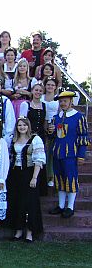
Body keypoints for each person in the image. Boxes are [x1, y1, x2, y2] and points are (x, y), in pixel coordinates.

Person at [48, 90, 90, 218]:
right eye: (60, 101)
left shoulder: (79, 117)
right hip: (57, 153)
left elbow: (83, 137)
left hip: (71, 153)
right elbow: (54, 136)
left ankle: (70, 206)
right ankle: (61, 206)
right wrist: (51, 132)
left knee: (70, 178)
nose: (62, 103)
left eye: (65, 101)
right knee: (60, 178)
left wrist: (81, 155)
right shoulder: (57, 117)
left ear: (71, 101)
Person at [7, 117, 45, 242]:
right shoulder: (13, 139)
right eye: (19, 125)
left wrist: (34, 177)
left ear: (28, 126)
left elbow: (39, 160)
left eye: (24, 125)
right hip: (15, 173)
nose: (22, 127)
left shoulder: (35, 139)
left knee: (29, 203)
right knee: (17, 201)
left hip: (29, 173)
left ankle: (29, 231)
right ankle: (18, 230)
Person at [20, 83, 48, 196]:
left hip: (40, 135)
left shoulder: (44, 105)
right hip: (28, 135)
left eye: (40, 91)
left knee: (38, 159)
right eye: (36, 90)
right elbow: (21, 120)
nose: (38, 92)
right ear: (32, 91)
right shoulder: (26, 104)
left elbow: (45, 122)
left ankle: (39, 187)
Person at [41, 76, 59, 187]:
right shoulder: (41, 97)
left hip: (53, 125)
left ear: (56, 87)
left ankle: (51, 176)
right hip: (42, 123)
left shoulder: (57, 99)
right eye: (48, 84)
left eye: (52, 85)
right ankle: (42, 176)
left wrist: (55, 126)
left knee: (51, 152)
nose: (50, 86)